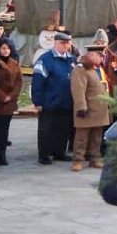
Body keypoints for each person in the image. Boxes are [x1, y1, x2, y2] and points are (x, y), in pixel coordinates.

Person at [32, 32, 76, 165]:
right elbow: (38, 82)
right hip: (49, 101)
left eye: (68, 43)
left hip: (67, 101)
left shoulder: (72, 59)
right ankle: (44, 154)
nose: (65, 45)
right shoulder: (45, 59)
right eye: (62, 43)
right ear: (55, 43)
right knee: (47, 129)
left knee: (63, 128)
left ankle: (59, 152)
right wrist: (37, 101)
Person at [71, 50, 111, 172]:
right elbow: (78, 90)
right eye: (99, 56)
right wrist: (81, 107)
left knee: (97, 137)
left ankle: (95, 158)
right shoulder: (80, 69)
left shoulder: (95, 69)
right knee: (82, 137)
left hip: (99, 109)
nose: (101, 59)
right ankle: (78, 160)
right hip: (87, 109)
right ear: (91, 55)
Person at [0, 40, 22, 166]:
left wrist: (12, 95)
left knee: (5, 129)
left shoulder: (14, 63)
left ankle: (2, 152)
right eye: (3, 48)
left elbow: (19, 81)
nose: (5, 51)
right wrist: (2, 96)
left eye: (7, 48)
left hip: (10, 102)